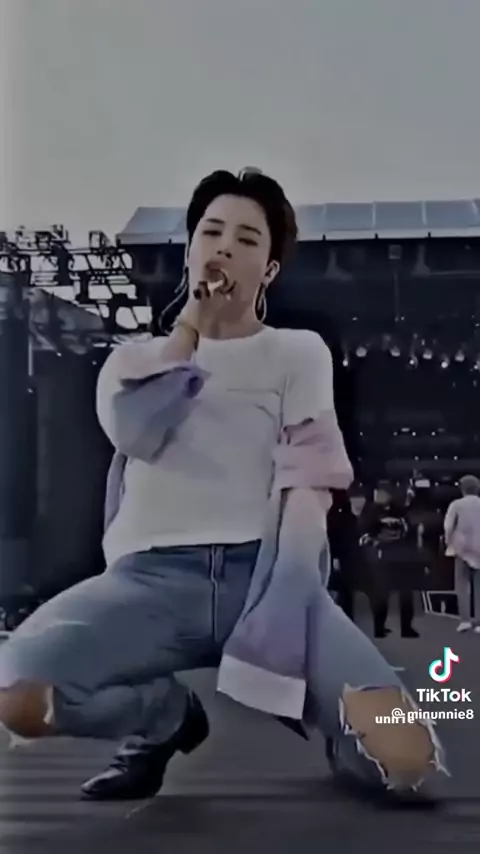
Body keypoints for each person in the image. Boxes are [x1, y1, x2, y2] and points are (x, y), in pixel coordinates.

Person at [0, 168, 439, 803]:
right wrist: (189, 333)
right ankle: (165, 718)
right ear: (190, 250)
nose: (225, 247)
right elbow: (135, 431)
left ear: (269, 269)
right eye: (211, 232)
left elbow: (309, 481)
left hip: (260, 574)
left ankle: (329, 724)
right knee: (18, 693)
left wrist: (292, 595)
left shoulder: (298, 352)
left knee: (406, 761)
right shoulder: (131, 361)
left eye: (247, 239)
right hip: (148, 584)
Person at [362, 482, 419, 638]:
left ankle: (405, 628)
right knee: (382, 594)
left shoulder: (398, 510)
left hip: (400, 555)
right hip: (382, 556)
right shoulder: (371, 511)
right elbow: (364, 532)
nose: (379, 495)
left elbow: (409, 529)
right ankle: (380, 627)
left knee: (404, 593)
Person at [444, 474, 480, 633]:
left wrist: (448, 542)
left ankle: (465, 620)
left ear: (462, 489)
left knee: (462, 585)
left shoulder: (456, 505)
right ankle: (479, 623)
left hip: (461, 549)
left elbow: (448, 526)